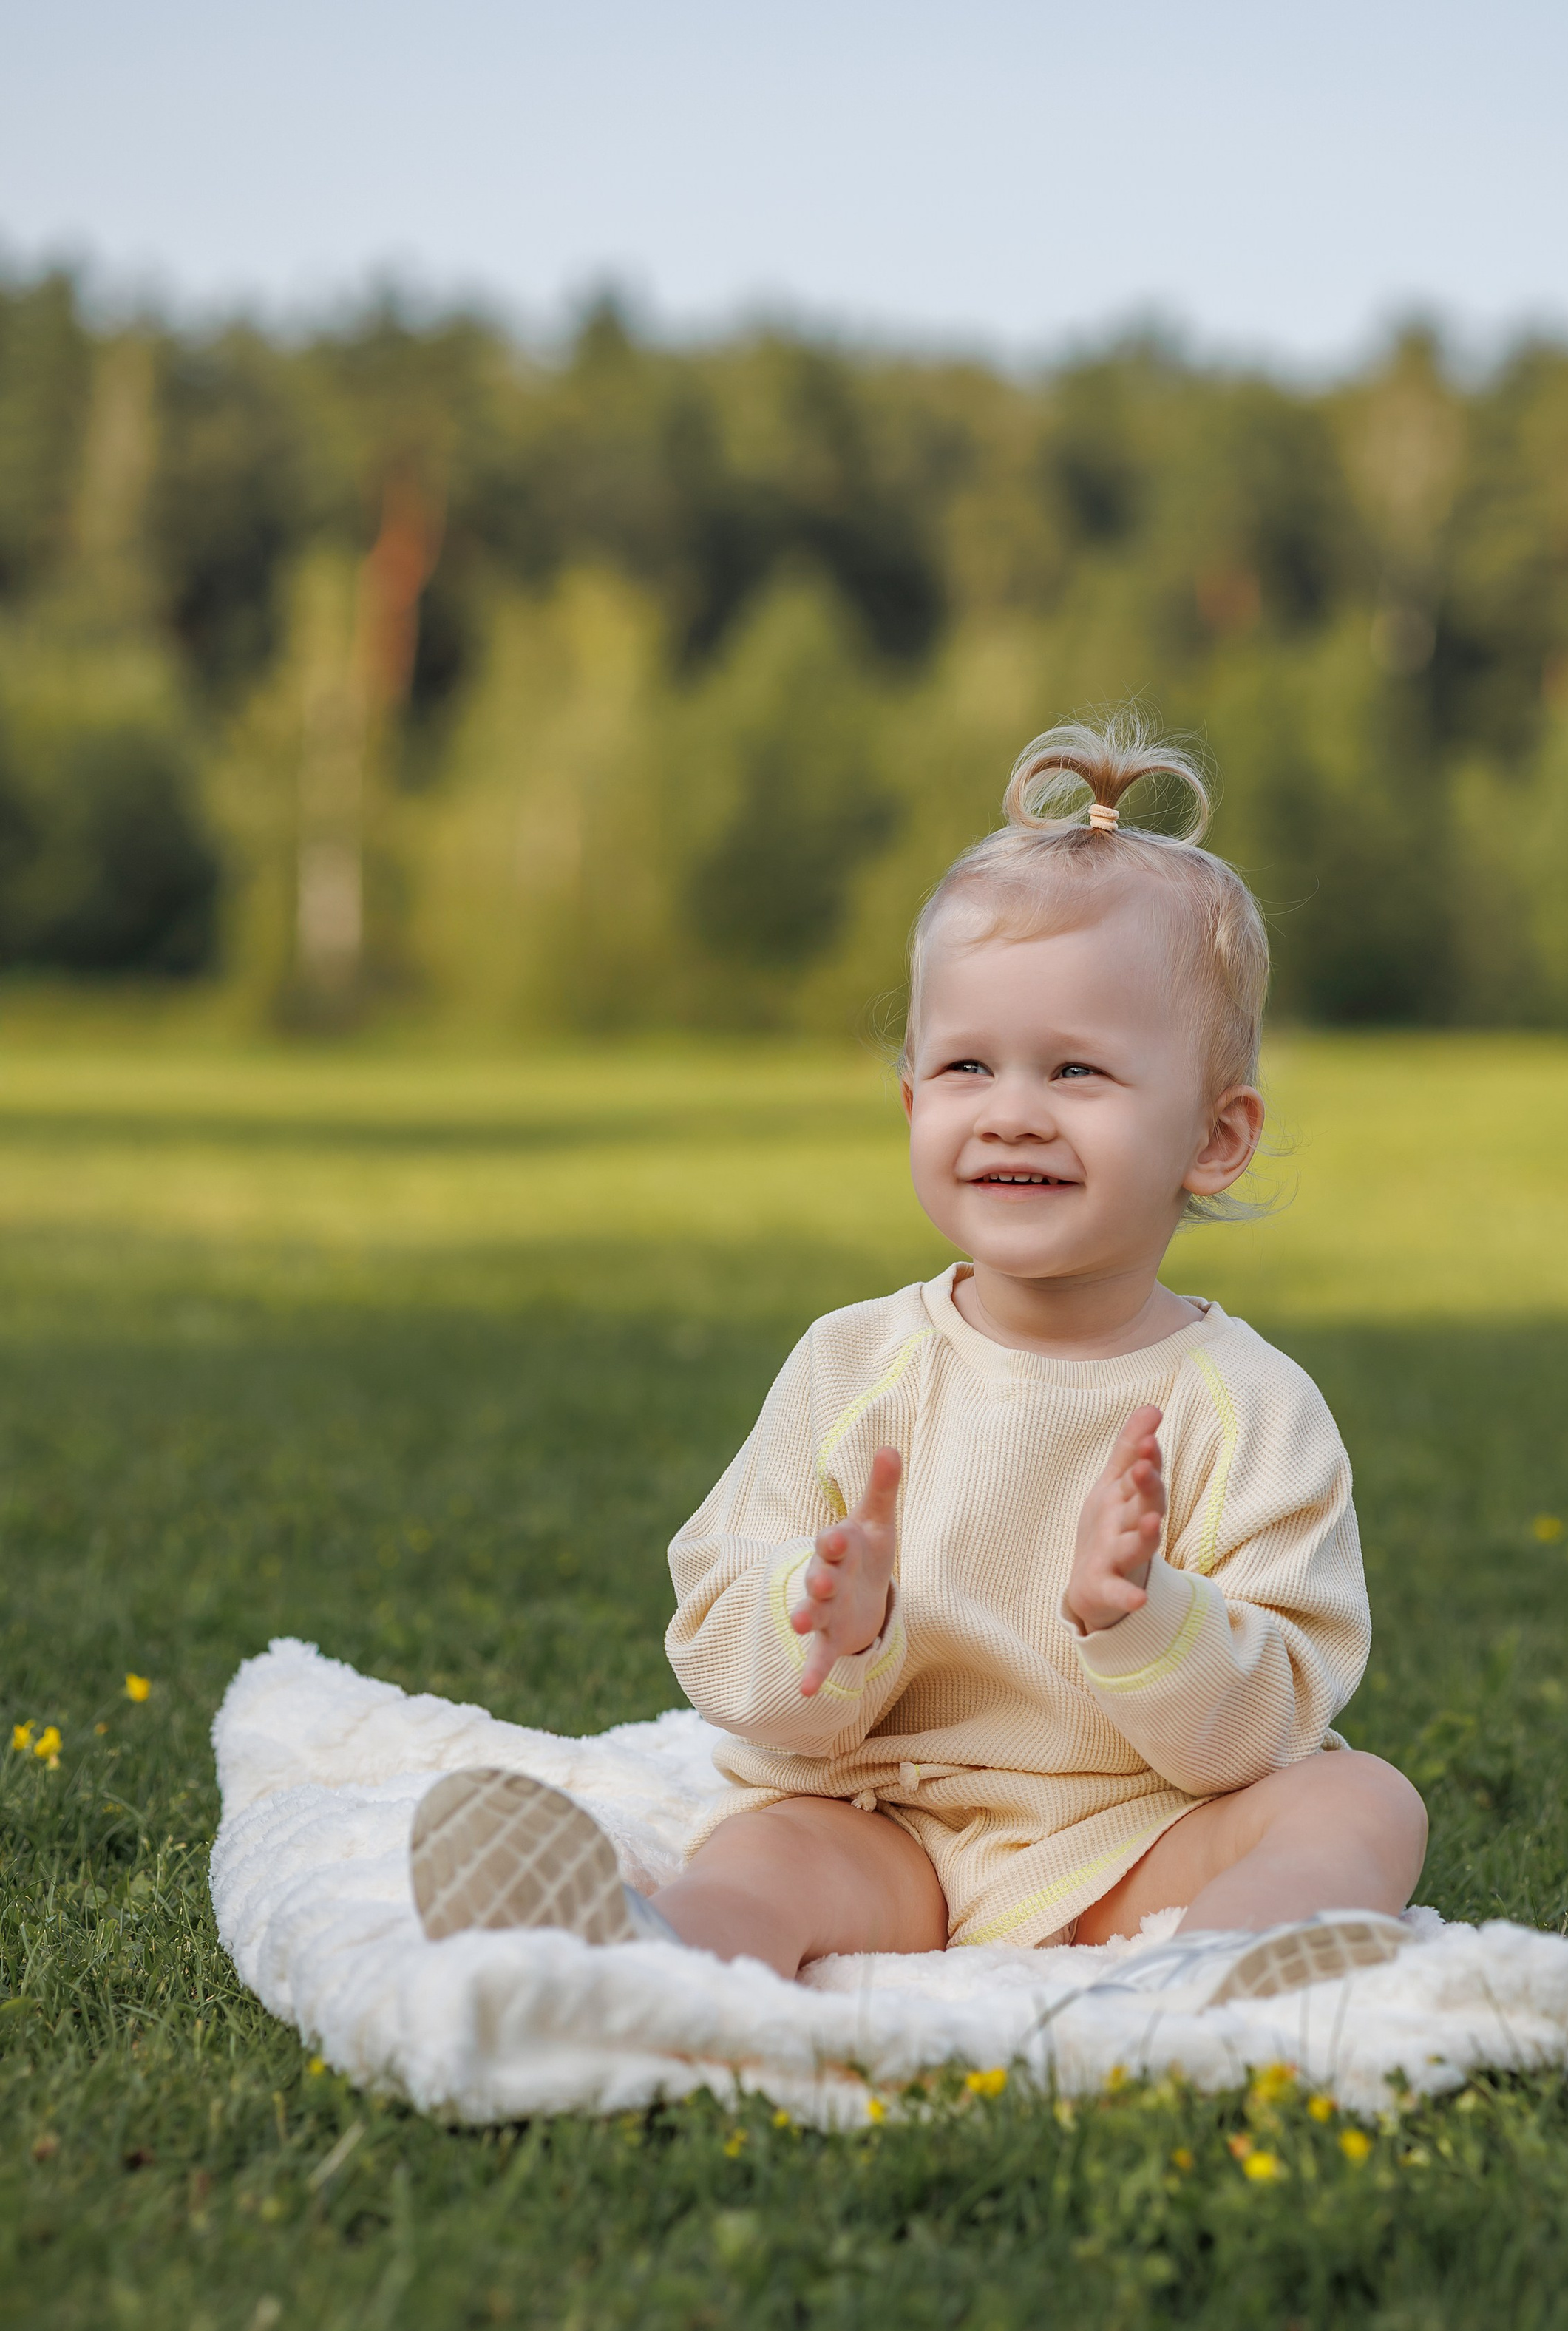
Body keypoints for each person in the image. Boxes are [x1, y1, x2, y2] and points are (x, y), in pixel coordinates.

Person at [410, 717, 1428, 2009]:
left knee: (1363, 1800)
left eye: (1076, 1069)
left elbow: (1276, 1717)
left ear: (1215, 1139)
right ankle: (643, 1961)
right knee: (768, 1860)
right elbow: (717, 1631)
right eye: (966, 1065)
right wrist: (829, 1620)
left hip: (1137, 1835)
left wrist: (1145, 1616)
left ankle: (1203, 1981)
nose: (1012, 1107)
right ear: (911, 1104)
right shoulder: (857, 1366)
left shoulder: (1250, 1408)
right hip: (886, 1819)